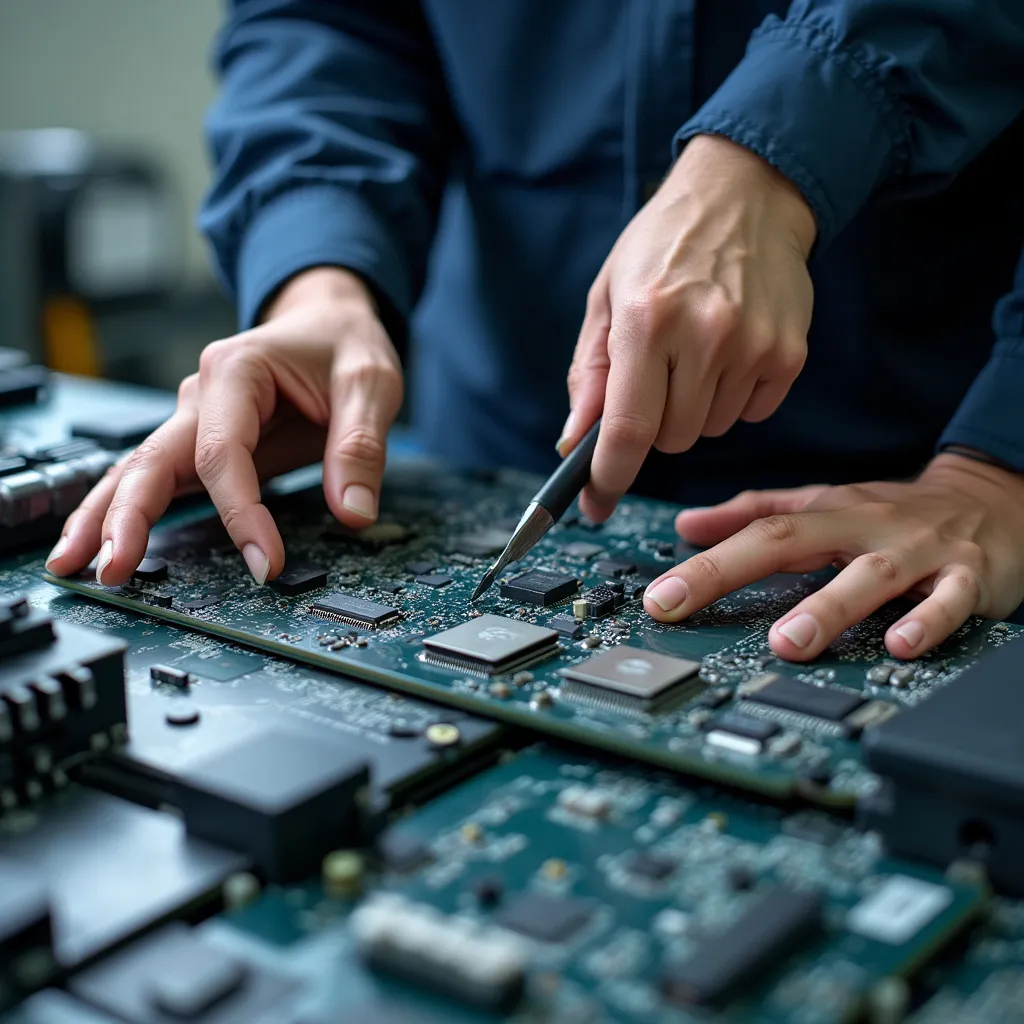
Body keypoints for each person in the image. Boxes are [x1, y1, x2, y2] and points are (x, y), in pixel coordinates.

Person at [46, 1, 1024, 664]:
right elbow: (328, 23)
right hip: (488, 448)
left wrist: (997, 469)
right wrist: (322, 287)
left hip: (941, 484)